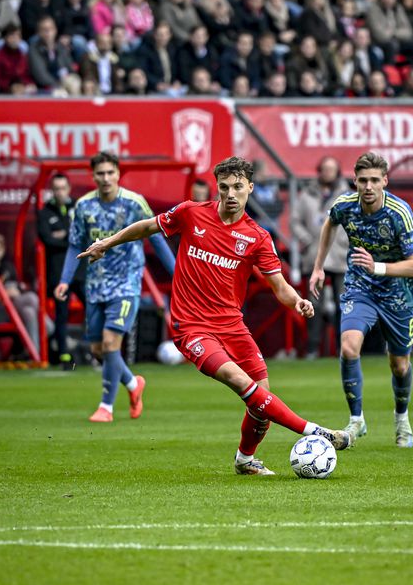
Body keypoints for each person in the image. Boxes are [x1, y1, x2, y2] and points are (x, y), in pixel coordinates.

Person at [78, 156, 350, 474]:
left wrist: (297, 301)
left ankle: (245, 459)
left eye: (238, 187)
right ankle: (315, 431)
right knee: (239, 380)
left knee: (261, 398)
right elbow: (148, 226)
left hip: (232, 325)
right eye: (224, 187)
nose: (231, 194)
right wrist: (107, 243)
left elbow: (279, 285)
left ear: (250, 187)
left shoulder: (257, 237)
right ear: (217, 188)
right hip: (190, 326)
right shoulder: (191, 213)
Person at [309, 152, 413, 448]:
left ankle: (401, 419)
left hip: (398, 295)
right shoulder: (344, 206)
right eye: (363, 180)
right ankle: (357, 420)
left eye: (375, 180)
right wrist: (318, 267)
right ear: (355, 182)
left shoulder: (400, 212)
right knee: (348, 347)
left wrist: (379, 267)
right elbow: (329, 224)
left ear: (385, 181)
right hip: (360, 287)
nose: (369, 186)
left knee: (399, 365)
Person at [55, 151, 176, 422]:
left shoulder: (134, 203)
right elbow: (75, 243)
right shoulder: (84, 206)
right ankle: (133, 384)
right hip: (95, 286)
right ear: (93, 176)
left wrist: (177, 273)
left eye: (110, 172)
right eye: (101, 173)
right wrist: (65, 279)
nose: (106, 178)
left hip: (126, 284)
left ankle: (105, 407)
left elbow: (156, 238)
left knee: (111, 344)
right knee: (98, 350)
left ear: (118, 174)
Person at [292, 157, 349, 358]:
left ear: (338, 172)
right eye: (325, 169)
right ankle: (313, 348)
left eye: (332, 169)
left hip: (340, 256)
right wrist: (306, 240)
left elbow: (354, 220)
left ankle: (344, 348)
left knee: (343, 303)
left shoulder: (346, 193)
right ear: (319, 171)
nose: (328, 173)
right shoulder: (306, 194)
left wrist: (345, 241)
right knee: (313, 305)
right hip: (314, 256)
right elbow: (295, 221)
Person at [37, 173, 86, 367]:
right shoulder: (45, 212)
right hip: (58, 274)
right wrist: (69, 236)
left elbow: (83, 235)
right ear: (52, 190)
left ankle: (91, 347)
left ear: (69, 188)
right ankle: (64, 355)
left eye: (62, 188)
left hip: (80, 270)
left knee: (94, 308)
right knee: (61, 314)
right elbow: (47, 239)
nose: (59, 192)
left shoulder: (78, 207)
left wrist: (62, 235)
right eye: (56, 188)